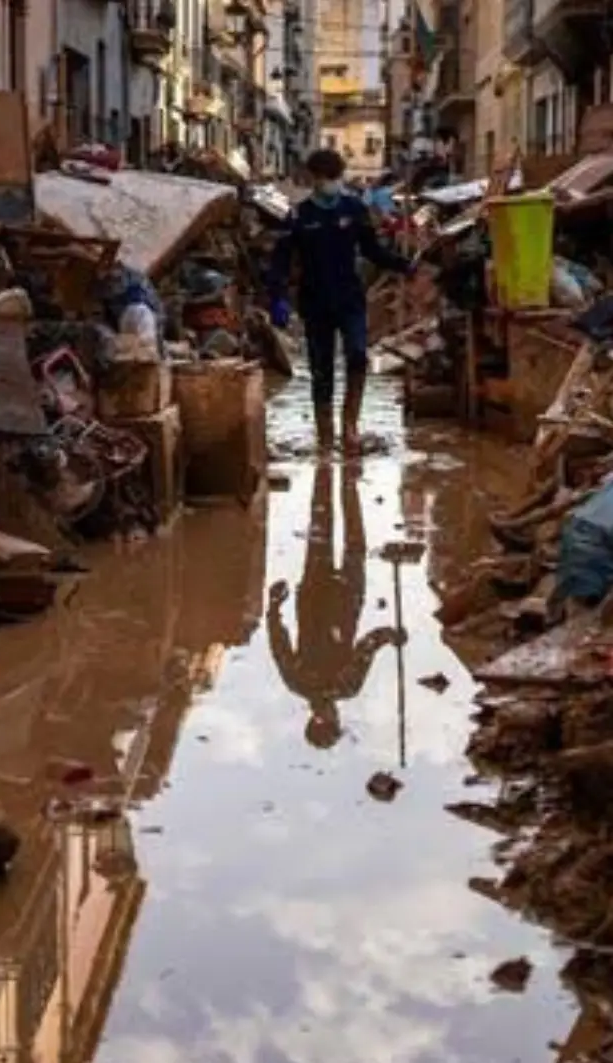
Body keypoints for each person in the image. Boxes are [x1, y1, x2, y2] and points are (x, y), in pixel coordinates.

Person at [267, 148, 415, 451]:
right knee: (321, 370)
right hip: (315, 302)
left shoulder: (354, 209)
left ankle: (350, 427)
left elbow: (373, 250)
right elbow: (280, 262)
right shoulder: (299, 216)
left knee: (358, 355)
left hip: (350, 298)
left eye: (334, 177)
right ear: (313, 178)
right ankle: (324, 435)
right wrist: (277, 298)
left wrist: (403, 264)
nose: (330, 183)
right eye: (324, 178)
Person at [266, 461, 405, 749]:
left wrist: (274, 606)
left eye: (327, 720)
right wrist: (389, 635)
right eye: (333, 720)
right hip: (346, 597)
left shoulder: (300, 682)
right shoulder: (346, 686)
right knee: (353, 537)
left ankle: (325, 469)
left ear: (315, 720)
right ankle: (347, 480)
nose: (328, 714)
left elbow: (279, 642)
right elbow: (366, 647)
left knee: (322, 522)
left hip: (316, 596)